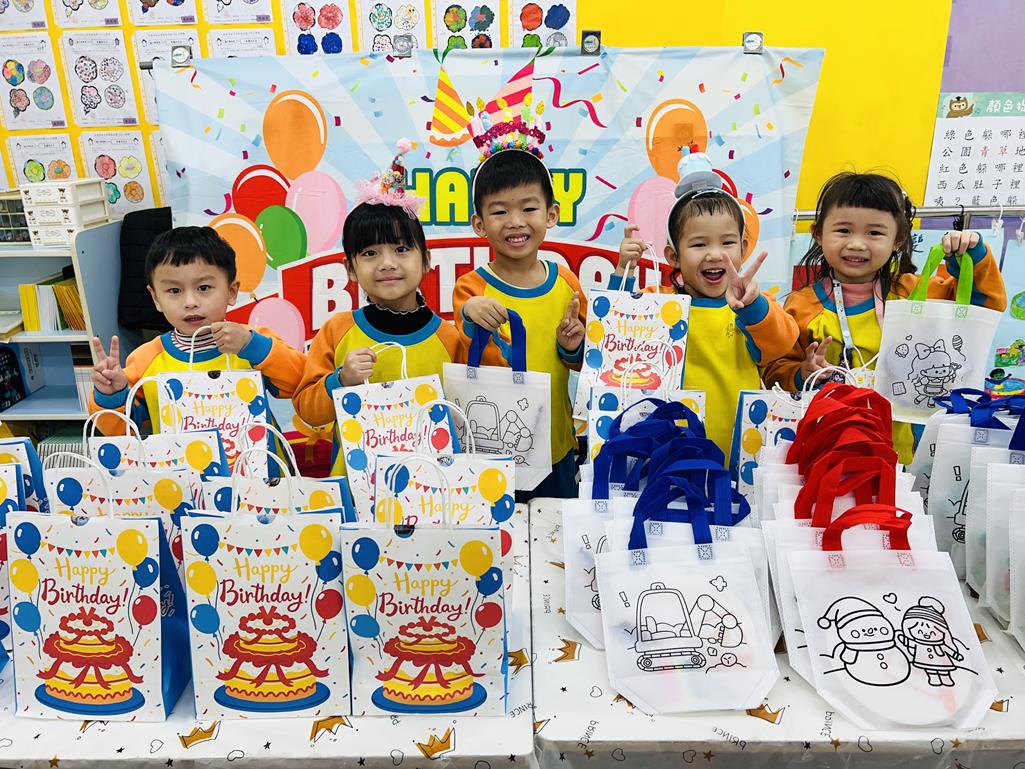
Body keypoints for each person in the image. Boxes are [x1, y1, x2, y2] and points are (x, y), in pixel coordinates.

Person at [761, 172, 1007, 461]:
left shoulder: (917, 293)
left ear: (898, 240)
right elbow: (774, 370)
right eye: (843, 230)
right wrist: (803, 372)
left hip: (909, 454)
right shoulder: (799, 305)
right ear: (818, 233)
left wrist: (974, 257)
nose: (857, 244)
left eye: (874, 233)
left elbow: (984, 305)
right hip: (828, 451)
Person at [612, 149, 799, 459]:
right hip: (667, 459)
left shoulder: (751, 305)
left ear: (743, 248)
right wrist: (623, 273)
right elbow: (613, 336)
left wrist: (752, 307)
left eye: (727, 242)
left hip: (738, 456)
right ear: (673, 256)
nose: (714, 254)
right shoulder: (658, 301)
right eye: (699, 244)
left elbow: (782, 344)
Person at [292, 140, 462, 475]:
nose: (387, 263)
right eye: (370, 253)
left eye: (401, 249)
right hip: (355, 489)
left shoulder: (450, 338)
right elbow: (308, 411)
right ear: (351, 269)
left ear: (426, 260)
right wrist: (341, 380)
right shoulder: (337, 331)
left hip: (434, 489)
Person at [453, 111, 585, 501]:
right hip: (490, 450)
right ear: (479, 224)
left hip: (556, 445)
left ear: (551, 214)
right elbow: (463, 336)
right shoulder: (472, 286)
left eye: (528, 208)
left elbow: (582, 362)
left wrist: (572, 347)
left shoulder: (566, 282)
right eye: (499, 211)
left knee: (554, 532)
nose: (515, 222)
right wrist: (471, 312)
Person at [89, 226, 306, 445]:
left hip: (261, 465)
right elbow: (125, 432)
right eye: (174, 291)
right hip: (179, 467)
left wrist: (253, 346)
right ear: (155, 298)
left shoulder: (250, 342)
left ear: (231, 292)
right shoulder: (145, 360)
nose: (190, 302)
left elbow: (300, 382)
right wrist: (111, 396)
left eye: (203, 288)